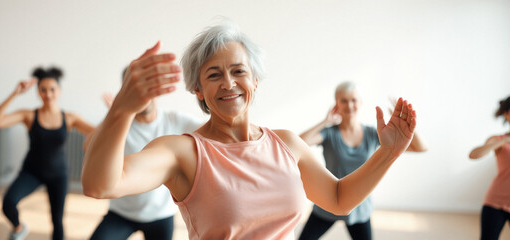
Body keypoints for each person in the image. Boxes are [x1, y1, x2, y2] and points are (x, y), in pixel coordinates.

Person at [81, 22, 418, 239]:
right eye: (213, 75)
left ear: (255, 80)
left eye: (238, 71)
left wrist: (388, 153)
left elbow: (339, 199)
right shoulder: (182, 151)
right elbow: (100, 185)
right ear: (197, 89)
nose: (228, 83)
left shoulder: (286, 143)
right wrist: (122, 109)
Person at [297, 81, 427, 240]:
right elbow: (297, 144)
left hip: (359, 206)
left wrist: (408, 126)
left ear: (361, 103)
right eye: (343, 100)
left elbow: (421, 148)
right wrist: (325, 121)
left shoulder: (374, 133)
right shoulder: (329, 133)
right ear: (336, 104)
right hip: (328, 202)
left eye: (353, 100)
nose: (349, 105)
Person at [88, 67, 202, 240]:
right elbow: (88, 147)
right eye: (135, 89)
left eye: (147, 86)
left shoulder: (176, 121)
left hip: (161, 216)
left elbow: (215, 133)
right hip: (121, 214)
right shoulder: (120, 123)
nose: (142, 94)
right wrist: (114, 115)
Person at [0, 67, 95, 240]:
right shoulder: (29, 115)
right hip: (32, 172)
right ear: (38, 92)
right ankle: (19, 228)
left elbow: (98, 132)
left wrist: (114, 113)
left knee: (57, 222)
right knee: (8, 203)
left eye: (52, 89)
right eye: (43, 90)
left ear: (59, 91)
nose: (48, 94)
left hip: (58, 175)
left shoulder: (69, 118)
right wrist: (15, 93)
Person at [469, 96, 510, 240]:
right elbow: (474, 154)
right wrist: (504, 141)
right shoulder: (498, 140)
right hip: (495, 202)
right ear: (506, 114)